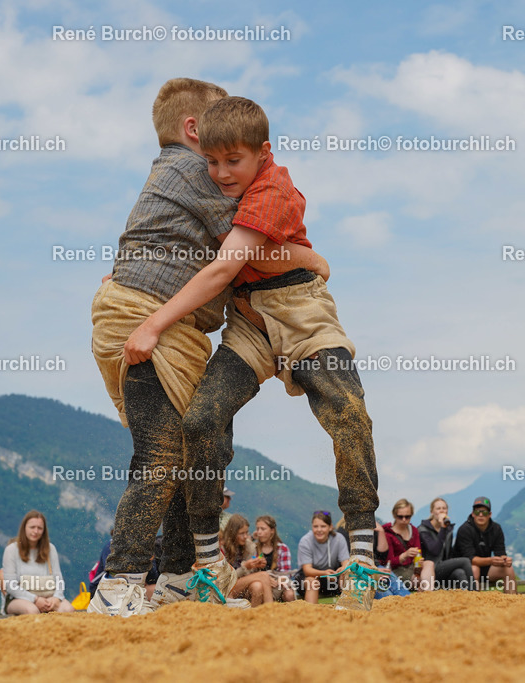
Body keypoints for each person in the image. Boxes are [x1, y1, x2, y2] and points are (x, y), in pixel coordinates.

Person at [125, 95, 382, 611]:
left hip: (300, 311)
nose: (221, 172)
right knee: (201, 420)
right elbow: (180, 240)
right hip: (247, 319)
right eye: (212, 161)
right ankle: (207, 561)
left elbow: (223, 267)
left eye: (233, 161)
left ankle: (361, 555)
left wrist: (152, 325)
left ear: (262, 153)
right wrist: (129, 270)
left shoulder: (272, 188)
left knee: (348, 411)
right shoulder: (218, 190)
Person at [90, 79, 325, 616]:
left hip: (152, 317)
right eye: (217, 127)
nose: (224, 156)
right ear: (194, 129)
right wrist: (313, 260)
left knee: (182, 453)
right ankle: (118, 584)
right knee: (159, 456)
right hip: (146, 321)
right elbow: (248, 250)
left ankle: (177, 580)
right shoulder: (193, 169)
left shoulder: (172, 171)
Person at [2, 510, 74, 615]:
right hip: (18, 598)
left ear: (44, 531)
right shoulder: (11, 550)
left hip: (48, 596)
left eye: (39, 528)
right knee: (32, 610)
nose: (36, 531)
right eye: (32, 527)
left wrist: (56, 598)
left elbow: (58, 579)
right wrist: (35, 599)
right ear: (24, 528)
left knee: (68, 609)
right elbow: (10, 586)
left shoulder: (50, 549)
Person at [453, 496, 517, 593]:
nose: (481, 515)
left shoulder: (496, 529)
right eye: (477, 512)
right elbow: (470, 559)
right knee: (474, 569)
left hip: (486, 568)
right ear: (473, 514)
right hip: (464, 569)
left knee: (508, 569)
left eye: (485, 512)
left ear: (490, 514)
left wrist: (505, 560)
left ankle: (512, 600)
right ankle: (476, 601)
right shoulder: (464, 529)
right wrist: (491, 560)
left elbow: (500, 553)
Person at [418, 498, 475, 591]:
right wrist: (443, 529)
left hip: (444, 568)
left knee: (459, 572)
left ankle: (468, 596)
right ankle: (475, 592)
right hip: (431, 570)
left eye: (444, 508)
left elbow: (449, 553)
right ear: (432, 512)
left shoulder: (448, 529)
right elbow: (435, 550)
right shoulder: (423, 529)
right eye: (438, 508)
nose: (441, 511)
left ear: (447, 511)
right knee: (465, 561)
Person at [295, 511, 349, 603]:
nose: (319, 530)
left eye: (323, 526)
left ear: (330, 527)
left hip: (332, 576)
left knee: (347, 575)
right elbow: (307, 570)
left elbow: (346, 563)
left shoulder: (339, 539)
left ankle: (348, 608)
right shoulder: (305, 541)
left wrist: (343, 569)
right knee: (313, 582)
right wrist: (324, 573)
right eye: (315, 526)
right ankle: (311, 610)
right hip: (309, 577)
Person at [220, 515, 273, 606]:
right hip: (226, 587)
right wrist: (245, 567)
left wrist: (256, 565)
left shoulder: (248, 546)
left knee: (257, 586)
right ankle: (270, 608)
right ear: (233, 533)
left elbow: (250, 574)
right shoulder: (222, 548)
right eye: (241, 533)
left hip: (242, 585)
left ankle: (254, 613)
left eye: (246, 532)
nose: (245, 536)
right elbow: (225, 579)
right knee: (264, 575)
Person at [253, 515, 295, 602]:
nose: (259, 532)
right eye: (257, 529)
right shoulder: (254, 548)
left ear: (272, 530)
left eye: (263, 529)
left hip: (278, 583)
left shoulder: (282, 548)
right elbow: (250, 571)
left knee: (289, 594)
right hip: (259, 582)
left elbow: (286, 573)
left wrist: (276, 580)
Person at [382, 499, 421, 590]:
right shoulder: (387, 533)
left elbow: (418, 552)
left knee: (429, 564)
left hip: (412, 567)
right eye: (400, 517)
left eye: (407, 517)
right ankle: (423, 587)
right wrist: (404, 556)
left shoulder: (414, 530)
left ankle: (426, 589)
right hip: (397, 570)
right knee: (420, 578)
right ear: (394, 515)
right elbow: (388, 562)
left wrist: (419, 561)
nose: (404, 520)